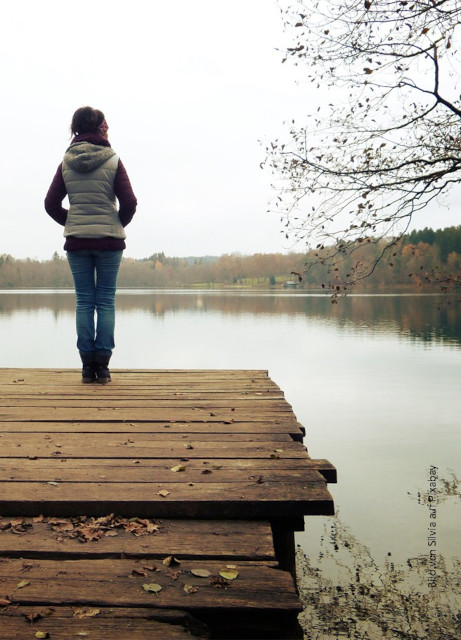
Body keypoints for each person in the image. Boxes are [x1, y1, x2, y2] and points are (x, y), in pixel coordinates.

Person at [45, 106, 137, 383]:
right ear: (99, 128)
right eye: (105, 124)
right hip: (109, 242)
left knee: (84, 301)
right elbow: (130, 202)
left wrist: (73, 223)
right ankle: (103, 367)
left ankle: (87, 368)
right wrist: (116, 224)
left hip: (77, 243)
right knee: (106, 301)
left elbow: (50, 204)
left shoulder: (66, 163)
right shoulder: (113, 160)